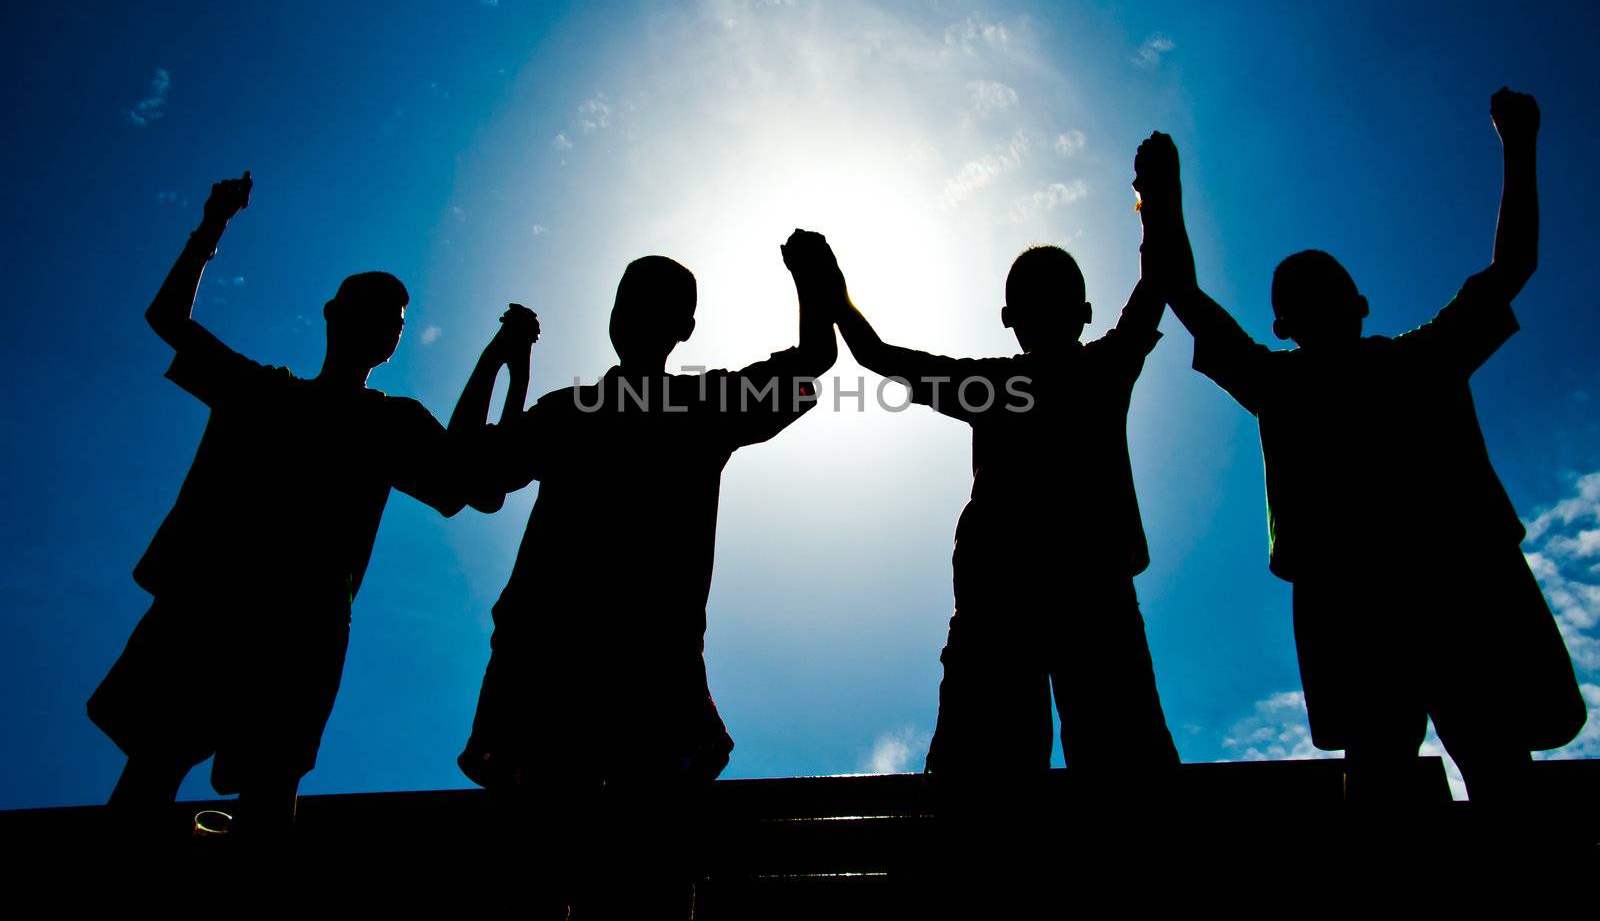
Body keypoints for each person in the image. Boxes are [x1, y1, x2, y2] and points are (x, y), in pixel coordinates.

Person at [1136, 90, 1587, 801]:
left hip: (1428, 587)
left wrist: (1161, 200)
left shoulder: (1348, 371)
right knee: (1423, 755)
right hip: (1400, 591)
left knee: (1453, 752)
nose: (1321, 298)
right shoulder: (1396, 363)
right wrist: (1520, 143)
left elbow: (1181, 291)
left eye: (1326, 286)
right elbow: (1513, 267)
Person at [87, 173, 470, 832]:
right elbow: (168, 319)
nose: (386, 325)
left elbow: (464, 481)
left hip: (300, 625)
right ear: (333, 312)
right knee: (161, 765)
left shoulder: (388, 422)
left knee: (264, 785)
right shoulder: (266, 392)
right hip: (216, 604)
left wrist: (501, 359)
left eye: (396, 321)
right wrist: (211, 227)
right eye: (374, 309)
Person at [453, 232, 838, 796]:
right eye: (628, 300)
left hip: (593, 674)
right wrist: (811, 277)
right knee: (624, 859)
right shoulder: (659, 408)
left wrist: (502, 359)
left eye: (649, 302)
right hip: (584, 672)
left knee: (609, 860)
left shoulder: (652, 407)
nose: (633, 313)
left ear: (683, 327)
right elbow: (471, 474)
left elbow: (472, 473)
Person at [819, 216, 1180, 778]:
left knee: (1004, 774)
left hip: (1030, 594)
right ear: (1082, 313)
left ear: (1010, 320)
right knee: (1110, 764)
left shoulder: (1018, 382)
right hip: (1054, 593)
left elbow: (878, 355)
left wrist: (832, 290)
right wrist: (1158, 202)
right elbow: (1158, 281)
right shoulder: (1094, 369)